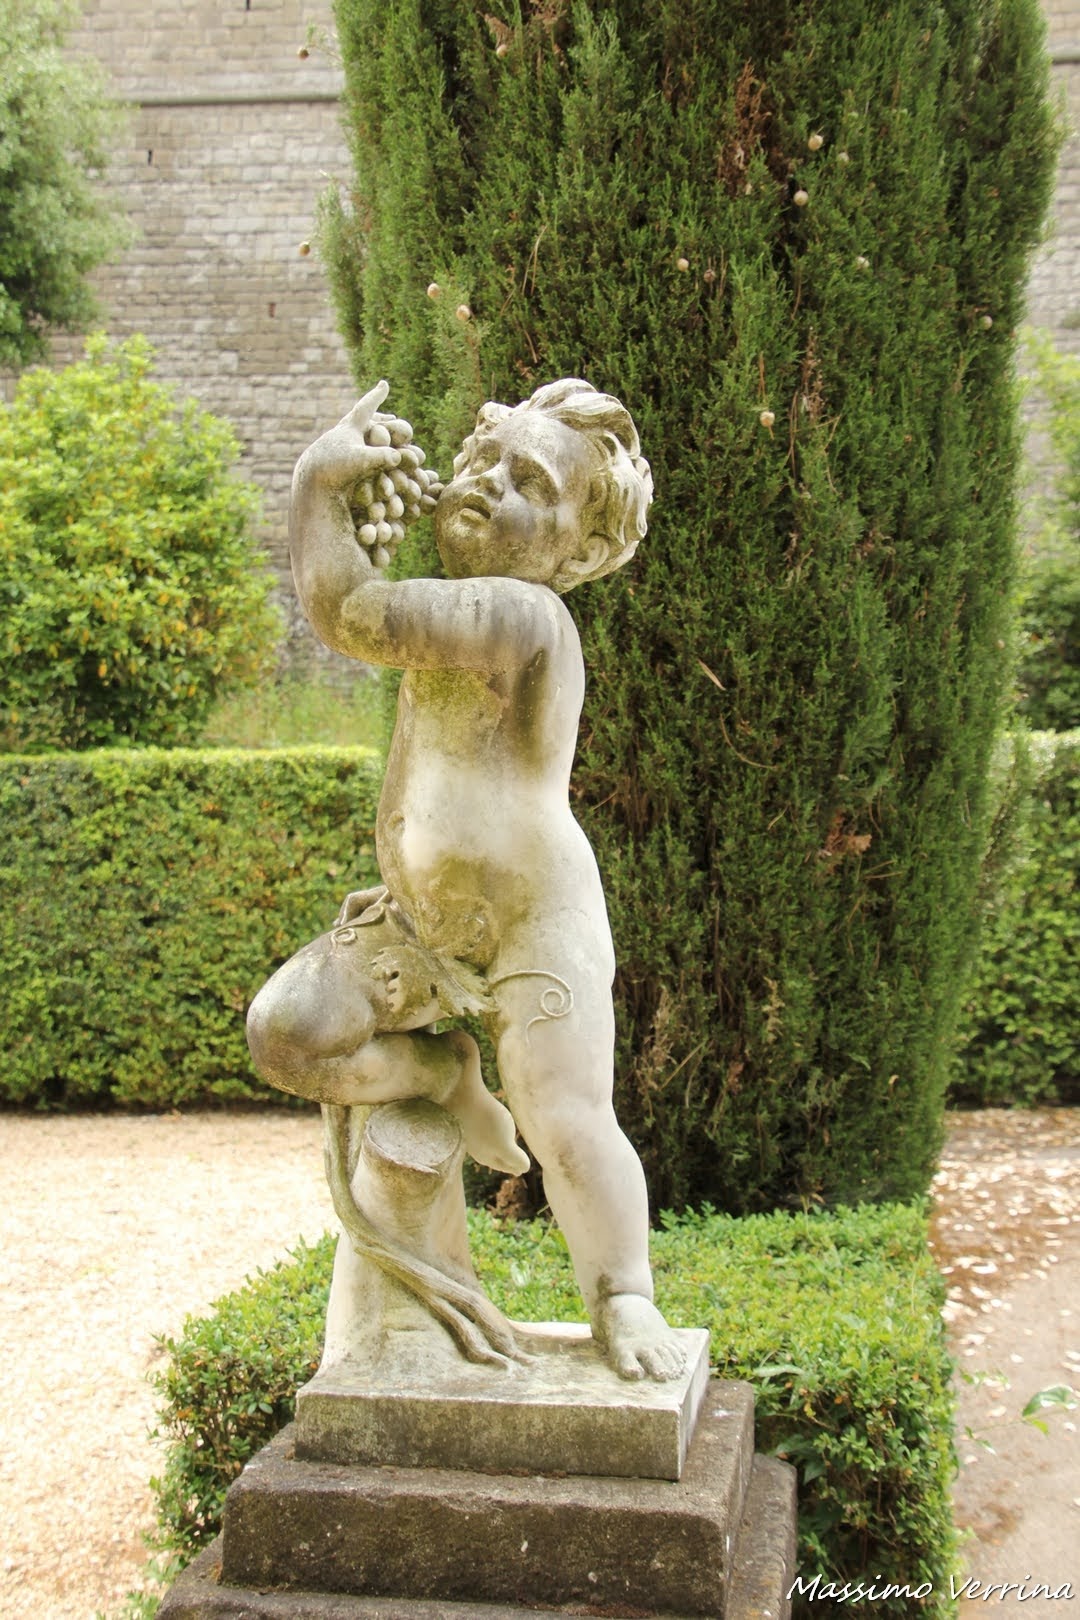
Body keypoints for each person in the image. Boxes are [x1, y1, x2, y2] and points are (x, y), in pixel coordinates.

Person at [247, 377, 685, 1381]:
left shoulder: (523, 616)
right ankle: (443, 1074)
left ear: (580, 550)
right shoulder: (456, 611)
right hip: (419, 922)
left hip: (534, 918)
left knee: (566, 1120)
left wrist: (318, 485)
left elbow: (349, 609)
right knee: (287, 1034)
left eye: (530, 481)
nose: (489, 481)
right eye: (485, 458)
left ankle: (624, 1295)